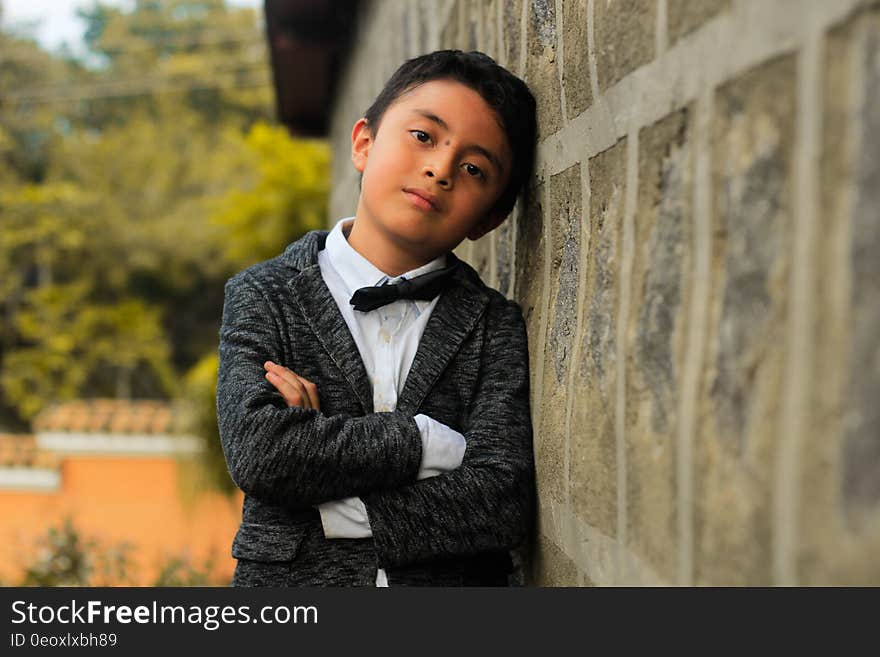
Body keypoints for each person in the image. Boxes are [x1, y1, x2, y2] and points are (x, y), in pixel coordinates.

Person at [217, 49, 538, 586]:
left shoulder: (493, 324)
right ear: (364, 142)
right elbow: (260, 453)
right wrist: (427, 443)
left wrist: (326, 497)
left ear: (492, 218)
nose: (439, 169)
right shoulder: (264, 293)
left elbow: (500, 498)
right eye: (423, 137)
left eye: (473, 168)